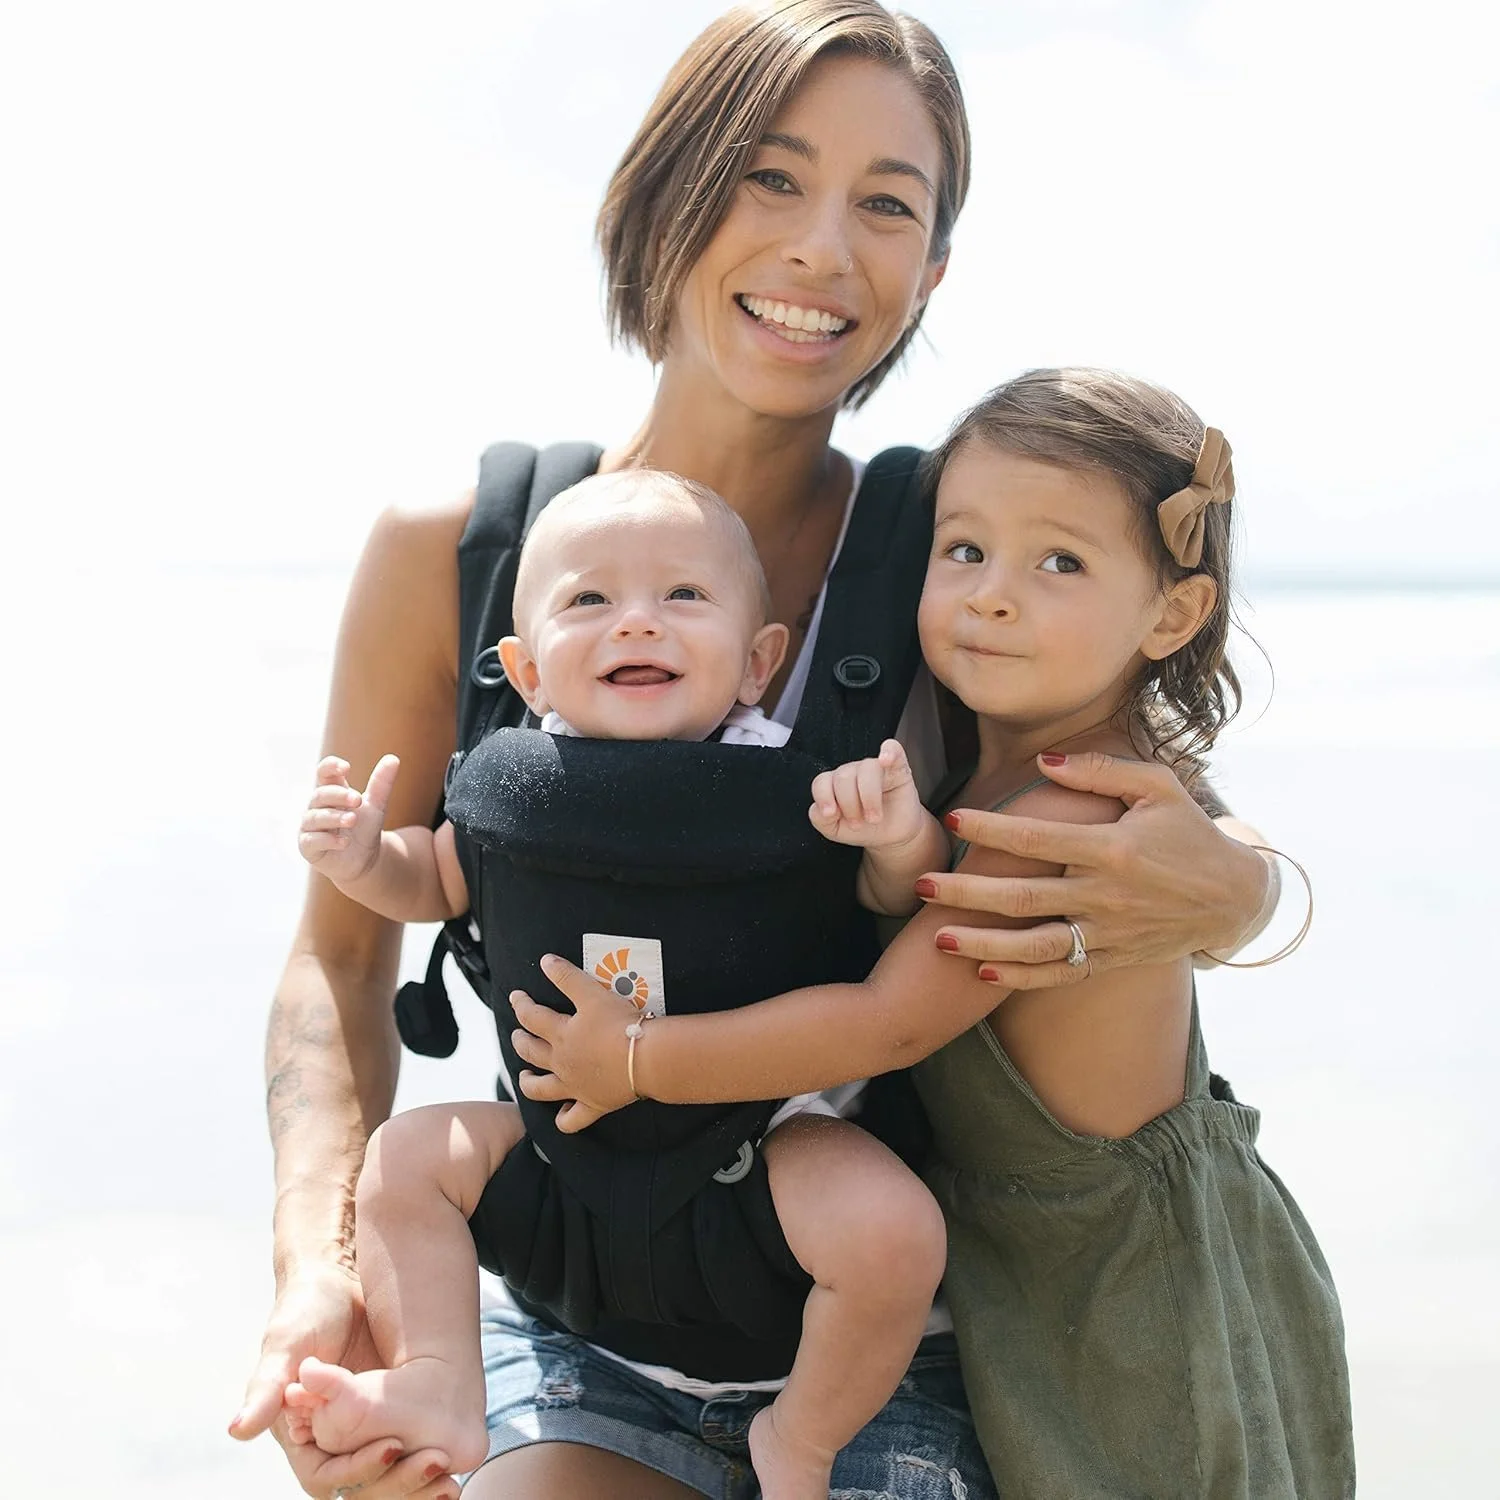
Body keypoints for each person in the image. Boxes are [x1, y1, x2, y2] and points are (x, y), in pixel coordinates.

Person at [229, 6, 1279, 1497]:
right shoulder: (456, 555)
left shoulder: (954, 553)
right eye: (769, 179)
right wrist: (326, 1280)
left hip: (904, 1336)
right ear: (662, 190)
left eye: (888, 206)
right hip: (584, 1311)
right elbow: (337, 961)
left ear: (934, 270)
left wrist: (1246, 898)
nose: (820, 252)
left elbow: (1139, 794)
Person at [512, 368, 1355, 1499]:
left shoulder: (1066, 814)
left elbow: (888, 1023)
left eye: (1060, 563)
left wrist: (635, 1060)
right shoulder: (981, 761)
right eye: (965, 551)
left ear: (1174, 613)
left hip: (1126, 1289)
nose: (993, 596)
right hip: (1022, 1258)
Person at [284, 468, 952, 1499]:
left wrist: (899, 836)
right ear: (527, 670)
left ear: (758, 660)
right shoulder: (516, 783)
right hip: (561, 1155)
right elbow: (439, 880)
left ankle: (803, 1436)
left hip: (766, 1146)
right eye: (589, 601)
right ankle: (435, 1379)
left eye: (684, 597)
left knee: (896, 1232)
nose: (637, 622)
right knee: (403, 1161)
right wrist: (365, 858)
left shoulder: (792, 780)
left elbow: (887, 898)